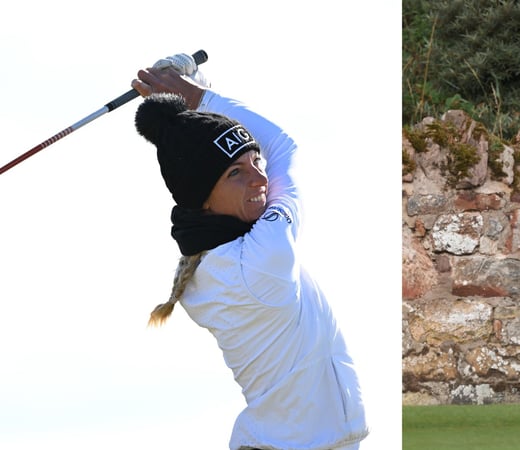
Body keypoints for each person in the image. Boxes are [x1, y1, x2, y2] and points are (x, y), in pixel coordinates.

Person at [131, 53, 368, 449]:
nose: (260, 177)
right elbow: (282, 146)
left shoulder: (212, 259)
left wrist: (197, 106)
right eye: (236, 173)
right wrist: (200, 96)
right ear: (203, 198)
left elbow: (265, 153)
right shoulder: (264, 256)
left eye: (254, 160)